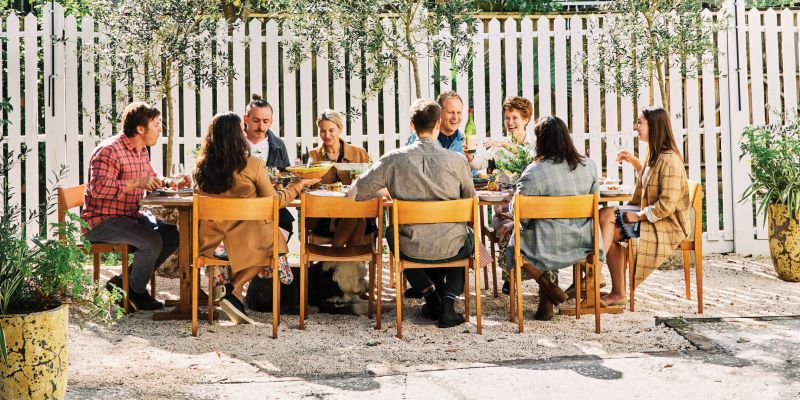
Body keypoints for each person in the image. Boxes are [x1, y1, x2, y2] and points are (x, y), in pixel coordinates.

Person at [349, 98, 476, 328]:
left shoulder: (393, 159)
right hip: (451, 246)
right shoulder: (458, 161)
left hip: (412, 246)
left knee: (391, 233)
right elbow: (471, 201)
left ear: (411, 125)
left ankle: (430, 297)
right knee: (466, 236)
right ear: (438, 123)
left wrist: (384, 191)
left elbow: (354, 193)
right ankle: (448, 304)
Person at [194, 112, 318, 324]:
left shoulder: (200, 168)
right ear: (237, 136)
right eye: (242, 130)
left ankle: (235, 296)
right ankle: (234, 288)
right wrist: (297, 185)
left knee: (268, 239)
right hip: (243, 244)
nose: (245, 133)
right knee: (276, 242)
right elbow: (275, 203)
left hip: (212, 245)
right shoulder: (253, 165)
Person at [82, 102, 183, 311]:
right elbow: (98, 188)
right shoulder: (109, 150)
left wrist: (170, 182)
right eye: (156, 125)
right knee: (151, 240)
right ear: (140, 129)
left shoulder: (141, 150)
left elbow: (151, 177)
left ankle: (124, 284)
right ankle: (136, 291)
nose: (160, 130)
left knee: (172, 235)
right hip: (101, 222)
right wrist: (137, 183)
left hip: (129, 217)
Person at [500, 116, 600, 320]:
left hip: (545, 246)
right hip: (582, 243)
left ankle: (547, 285)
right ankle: (547, 294)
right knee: (529, 230)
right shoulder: (589, 166)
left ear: (541, 141)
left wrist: (513, 212)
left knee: (512, 240)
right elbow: (595, 204)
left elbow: (519, 213)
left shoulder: (535, 172)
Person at [597, 106, 690, 307]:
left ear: (654, 126)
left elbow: (667, 204)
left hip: (666, 223)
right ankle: (608, 285)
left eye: (639, 122)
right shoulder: (655, 153)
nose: (635, 126)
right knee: (603, 218)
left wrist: (639, 216)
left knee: (606, 222)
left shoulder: (670, 160)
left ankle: (599, 278)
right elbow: (651, 180)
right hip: (652, 214)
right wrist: (635, 162)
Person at [307, 109, 372, 247]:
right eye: (323, 131)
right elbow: (307, 189)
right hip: (324, 215)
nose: (327, 135)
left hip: (356, 208)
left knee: (357, 217)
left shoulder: (359, 153)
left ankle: (333, 255)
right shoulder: (313, 156)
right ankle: (345, 258)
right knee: (358, 220)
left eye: (331, 130)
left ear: (340, 129)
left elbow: (369, 184)